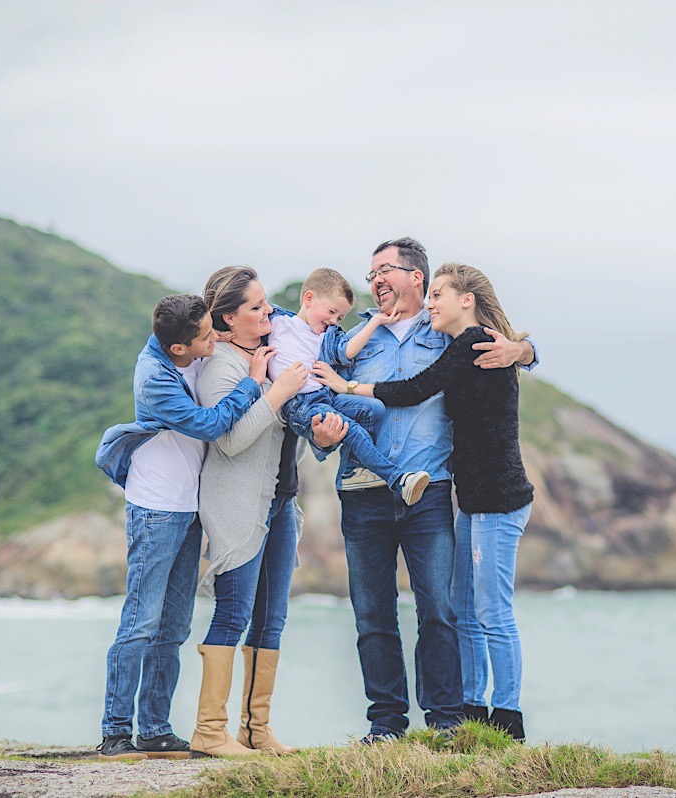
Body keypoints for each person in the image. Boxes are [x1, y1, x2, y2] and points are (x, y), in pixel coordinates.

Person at [309, 238, 537, 743]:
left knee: (440, 609)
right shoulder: (352, 340)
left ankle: (447, 722)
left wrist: (523, 349)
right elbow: (318, 397)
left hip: (430, 492)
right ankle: (387, 725)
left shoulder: (446, 335)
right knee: (372, 616)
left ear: (417, 277)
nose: (375, 281)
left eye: (385, 270)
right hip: (362, 489)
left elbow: (506, 348)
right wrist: (319, 436)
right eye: (370, 274)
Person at [94, 294, 263, 761]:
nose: (216, 338)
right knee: (141, 622)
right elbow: (208, 425)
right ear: (178, 349)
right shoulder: (155, 379)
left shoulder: (188, 345)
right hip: (155, 508)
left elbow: (222, 331)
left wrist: (225, 335)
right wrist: (251, 385)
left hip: (188, 508)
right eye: (207, 336)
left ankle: (154, 729)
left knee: (173, 627)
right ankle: (115, 732)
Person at [188, 266, 347, 757]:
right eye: (256, 307)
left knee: (271, 621)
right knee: (233, 615)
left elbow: (292, 427)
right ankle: (210, 732)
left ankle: (255, 730)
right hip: (238, 506)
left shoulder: (272, 353)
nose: (268, 311)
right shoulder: (224, 367)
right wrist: (274, 391)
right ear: (228, 320)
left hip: (281, 503)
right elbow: (231, 440)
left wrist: (321, 438)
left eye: (265, 303)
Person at [266, 267, 430, 505]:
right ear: (308, 299)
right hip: (300, 406)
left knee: (374, 408)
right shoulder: (278, 321)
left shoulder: (325, 336)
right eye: (332, 312)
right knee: (352, 429)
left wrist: (375, 322)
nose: (333, 321)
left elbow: (347, 352)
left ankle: (356, 467)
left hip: (325, 397)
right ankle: (398, 479)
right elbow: (244, 315)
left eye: (340, 318)